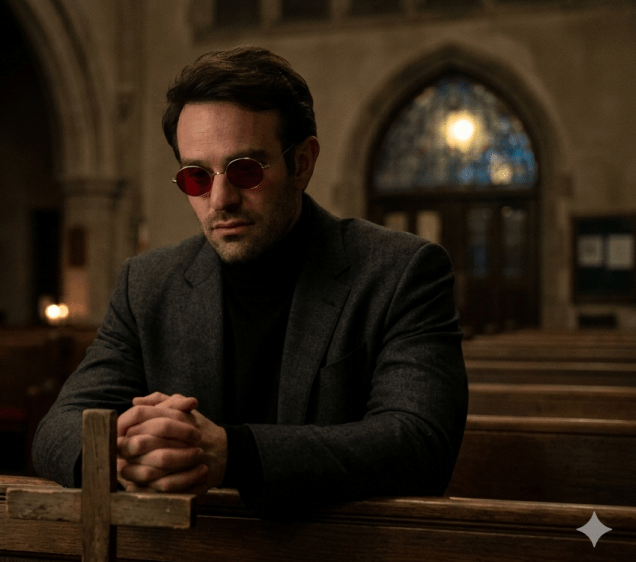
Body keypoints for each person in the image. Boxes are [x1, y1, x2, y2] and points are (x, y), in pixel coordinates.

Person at [32, 46, 468, 516]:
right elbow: (56, 431)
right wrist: (122, 454)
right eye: (196, 177)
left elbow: (420, 443)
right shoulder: (147, 283)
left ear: (302, 163)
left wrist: (233, 454)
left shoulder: (401, 271)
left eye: (245, 170)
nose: (220, 199)